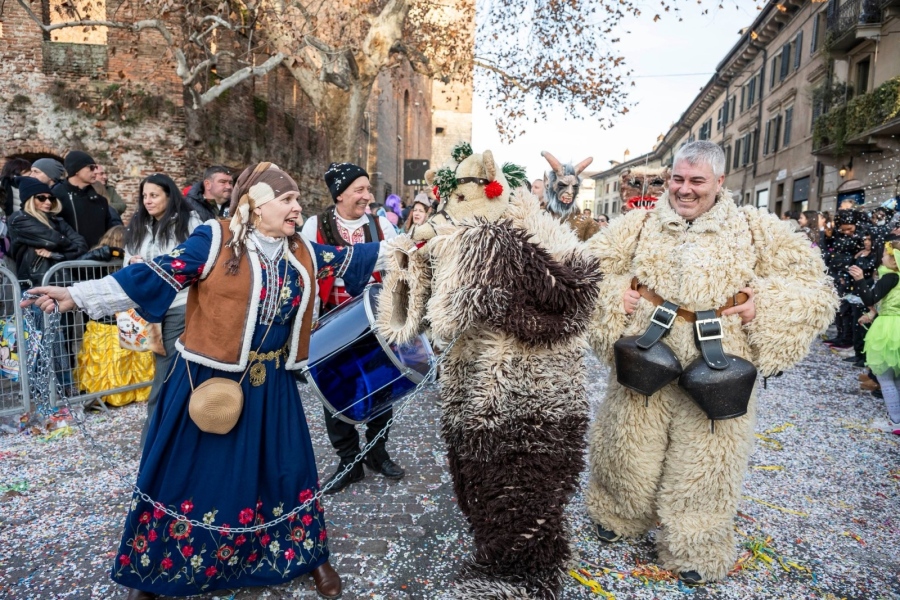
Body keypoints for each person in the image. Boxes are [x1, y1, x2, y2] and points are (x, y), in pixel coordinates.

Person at [23, 162, 383, 600]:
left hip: (272, 383)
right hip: (209, 379)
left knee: (286, 467)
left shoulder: (302, 250)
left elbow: (359, 257)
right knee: (185, 471)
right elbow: (154, 274)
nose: (297, 208)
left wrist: (424, 245)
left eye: (296, 200)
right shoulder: (215, 239)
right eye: (287, 200)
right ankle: (151, 569)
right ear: (257, 203)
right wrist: (75, 295)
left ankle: (308, 554)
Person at [585, 141, 836, 585]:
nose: (684, 189)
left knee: (710, 455)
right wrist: (613, 294)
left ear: (720, 181)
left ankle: (696, 544)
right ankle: (619, 512)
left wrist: (764, 305)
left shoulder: (755, 228)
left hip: (721, 361)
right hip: (644, 351)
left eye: (697, 181)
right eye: (677, 179)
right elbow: (583, 269)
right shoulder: (638, 225)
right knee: (626, 436)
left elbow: (812, 286)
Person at [300, 162, 403, 493]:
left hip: (375, 321)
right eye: (359, 190)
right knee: (334, 390)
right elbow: (306, 274)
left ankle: (377, 452)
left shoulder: (381, 225)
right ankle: (349, 461)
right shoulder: (315, 225)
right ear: (340, 194)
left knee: (382, 386)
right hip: (332, 322)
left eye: (368, 189)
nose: (367, 196)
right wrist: (308, 326)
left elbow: (399, 266)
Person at [124, 174, 204, 446]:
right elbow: (128, 259)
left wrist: (163, 266)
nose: (148, 201)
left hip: (180, 304)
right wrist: (133, 263)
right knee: (167, 367)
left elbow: (200, 259)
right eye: (144, 196)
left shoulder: (189, 222)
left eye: (154, 195)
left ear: (169, 196)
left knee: (165, 371)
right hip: (149, 307)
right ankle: (173, 435)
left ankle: (154, 440)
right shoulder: (138, 224)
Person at [75, 226, 154, 407]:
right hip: (114, 321)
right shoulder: (104, 259)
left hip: (113, 319)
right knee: (122, 360)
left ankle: (109, 393)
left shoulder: (125, 260)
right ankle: (123, 392)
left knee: (111, 361)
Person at [850, 239, 900, 434]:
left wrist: (860, 280)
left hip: (889, 329)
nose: (882, 258)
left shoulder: (891, 277)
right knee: (896, 377)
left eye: (885, 255)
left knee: (885, 377)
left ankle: (895, 421)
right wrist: (872, 313)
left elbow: (870, 298)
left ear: (895, 260)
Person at [8, 177, 88, 288]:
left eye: (51, 198)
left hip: (62, 282)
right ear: (29, 199)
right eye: (41, 198)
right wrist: (69, 245)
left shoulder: (57, 220)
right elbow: (53, 241)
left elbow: (82, 245)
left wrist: (56, 255)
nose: (48, 202)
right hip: (35, 284)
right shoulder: (19, 219)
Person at [52, 151, 117, 249]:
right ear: (76, 170)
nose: (95, 172)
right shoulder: (55, 196)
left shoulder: (100, 201)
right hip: (69, 255)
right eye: (91, 168)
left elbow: (109, 232)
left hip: (97, 256)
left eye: (95, 168)